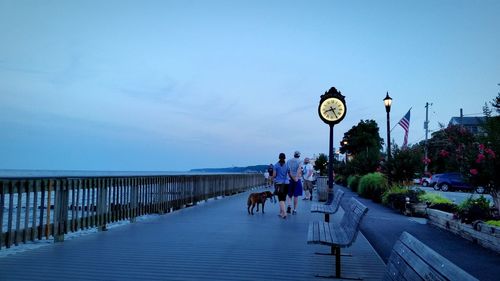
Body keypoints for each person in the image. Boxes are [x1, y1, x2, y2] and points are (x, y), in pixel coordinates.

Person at [273, 153, 290, 219]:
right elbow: (289, 174)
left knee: (280, 199)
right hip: (286, 183)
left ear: (279, 157)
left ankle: (284, 213)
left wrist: (271, 178)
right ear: (285, 158)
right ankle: (281, 212)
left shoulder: (276, 165)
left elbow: (274, 175)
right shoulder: (287, 165)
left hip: (279, 184)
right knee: (284, 198)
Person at [286, 150, 303, 214]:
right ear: (299, 155)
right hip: (297, 179)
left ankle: (289, 206)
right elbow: (299, 169)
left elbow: (287, 170)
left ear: (294, 154)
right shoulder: (300, 161)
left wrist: (291, 177)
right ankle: (294, 210)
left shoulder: (289, 161)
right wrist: (296, 177)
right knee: (296, 195)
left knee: (289, 194)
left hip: (289, 179)